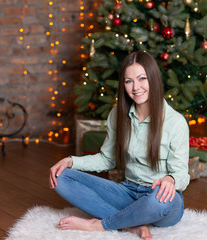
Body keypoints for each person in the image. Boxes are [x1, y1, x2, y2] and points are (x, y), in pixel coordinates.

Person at [49, 50, 190, 239]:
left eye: (142, 79)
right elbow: (106, 159)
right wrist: (70, 161)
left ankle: (100, 225)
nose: (135, 87)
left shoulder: (175, 122)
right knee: (61, 177)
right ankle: (131, 225)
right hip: (128, 193)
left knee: (157, 202)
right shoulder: (117, 115)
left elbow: (181, 173)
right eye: (128, 81)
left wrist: (170, 180)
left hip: (161, 199)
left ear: (154, 79)